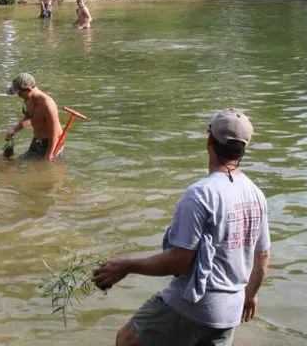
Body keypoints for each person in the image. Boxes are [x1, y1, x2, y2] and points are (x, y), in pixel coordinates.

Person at [91, 108, 271, 346]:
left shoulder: (201, 194)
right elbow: (262, 256)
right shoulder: (256, 194)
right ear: (243, 149)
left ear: (209, 141)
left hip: (195, 304)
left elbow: (179, 261)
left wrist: (127, 266)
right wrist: (250, 295)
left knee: (127, 340)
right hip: (230, 311)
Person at [5, 72, 62, 160]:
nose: (18, 96)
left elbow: (54, 133)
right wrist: (14, 130)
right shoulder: (28, 100)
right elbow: (29, 117)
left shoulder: (48, 104)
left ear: (28, 89)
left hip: (51, 144)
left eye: (19, 93)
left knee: (42, 167)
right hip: (37, 141)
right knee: (16, 162)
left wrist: (49, 155)